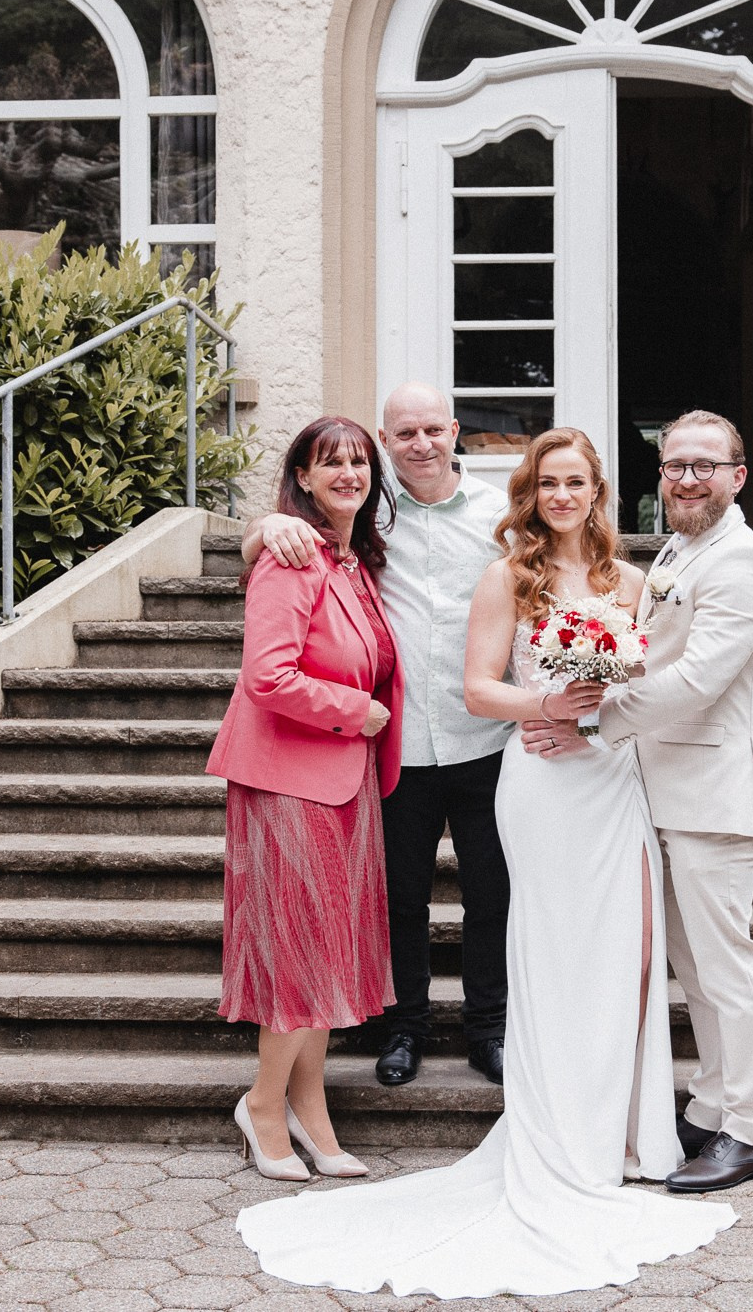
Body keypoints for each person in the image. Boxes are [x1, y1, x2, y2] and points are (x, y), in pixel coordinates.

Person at [236, 428, 735, 1299]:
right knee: (548, 951)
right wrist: (548, 701)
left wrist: (606, 711)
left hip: (613, 782)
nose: (564, 495)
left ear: (600, 489)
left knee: (626, 954)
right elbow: (478, 689)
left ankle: (629, 1133)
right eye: (549, 482)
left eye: (578, 481)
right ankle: (556, 1134)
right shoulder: (508, 572)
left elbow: (663, 676)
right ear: (530, 491)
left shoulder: (635, 580)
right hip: (539, 775)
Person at [523, 409, 753, 1194]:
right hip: (660, 788)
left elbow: (697, 679)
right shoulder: (680, 546)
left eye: (705, 465)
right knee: (692, 967)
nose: (686, 478)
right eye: (674, 465)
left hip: (711, 793)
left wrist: (595, 719)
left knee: (727, 967)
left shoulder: (742, 563)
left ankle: (750, 1128)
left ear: (738, 476)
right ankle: (709, 1107)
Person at [241, 383, 514, 1087]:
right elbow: (293, 535)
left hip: (484, 738)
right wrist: (264, 528)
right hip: (395, 750)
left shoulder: (501, 513)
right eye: (404, 434)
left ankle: (491, 1028)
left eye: (433, 429)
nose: (420, 443)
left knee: (491, 895)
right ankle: (405, 1027)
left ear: (455, 430)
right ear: (386, 443)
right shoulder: (366, 514)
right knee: (399, 899)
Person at [206, 416, 403, 1183]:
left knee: (327, 953)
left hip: (347, 783)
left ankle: (311, 1109)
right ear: (305, 477)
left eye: (359, 461)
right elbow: (269, 676)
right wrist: (359, 711)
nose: (349, 473)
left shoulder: (353, 562)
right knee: (298, 952)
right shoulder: (292, 558)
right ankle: (262, 1103)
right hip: (288, 781)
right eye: (332, 463)